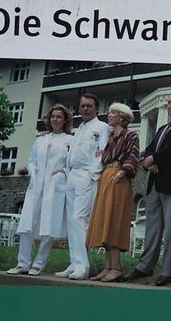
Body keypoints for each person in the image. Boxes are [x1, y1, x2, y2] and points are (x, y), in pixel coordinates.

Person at [119, 91, 171, 285]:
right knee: (152, 228)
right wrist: (148, 162)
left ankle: (169, 271)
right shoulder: (162, 128)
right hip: (154, 182)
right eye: (169, 102)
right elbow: (151, 149)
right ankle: (144, 267)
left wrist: (154, 158)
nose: (170, 105)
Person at [8, 105, 73, 276]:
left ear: (65, 120)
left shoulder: (70, 140)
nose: (55, 120)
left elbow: (72, 163)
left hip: (54, 187)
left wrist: (63, 173)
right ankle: (23, 263)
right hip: (36, 187)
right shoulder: (41, 139)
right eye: (53, 116)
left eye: (59, 117)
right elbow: (31, 159)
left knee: (49, 226)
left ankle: (38, 264)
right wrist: (33, 170)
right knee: (27, 224)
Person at [86, 102, 141, 281]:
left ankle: (116, 267)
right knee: (105, 220)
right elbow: (103, 156)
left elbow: (133, 156)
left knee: (115, 219)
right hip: (106, 175)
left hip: (119, 177)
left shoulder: (131, 135)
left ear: (122, 117)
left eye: (112, 113)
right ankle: (107, 266)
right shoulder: (110, 137)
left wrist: (122, 172)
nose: (109, 116)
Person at [56, 92, 108, 280]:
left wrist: (93, 175)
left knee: (79, 219)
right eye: (82, 105)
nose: (85, 109)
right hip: (73, 175)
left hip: (87, 175)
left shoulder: (102, 127)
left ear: (96, 108)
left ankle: (83, 266)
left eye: (89, 106)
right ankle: (74, 262)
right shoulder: (79, 129)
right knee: (71, 220)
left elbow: (101, 152)